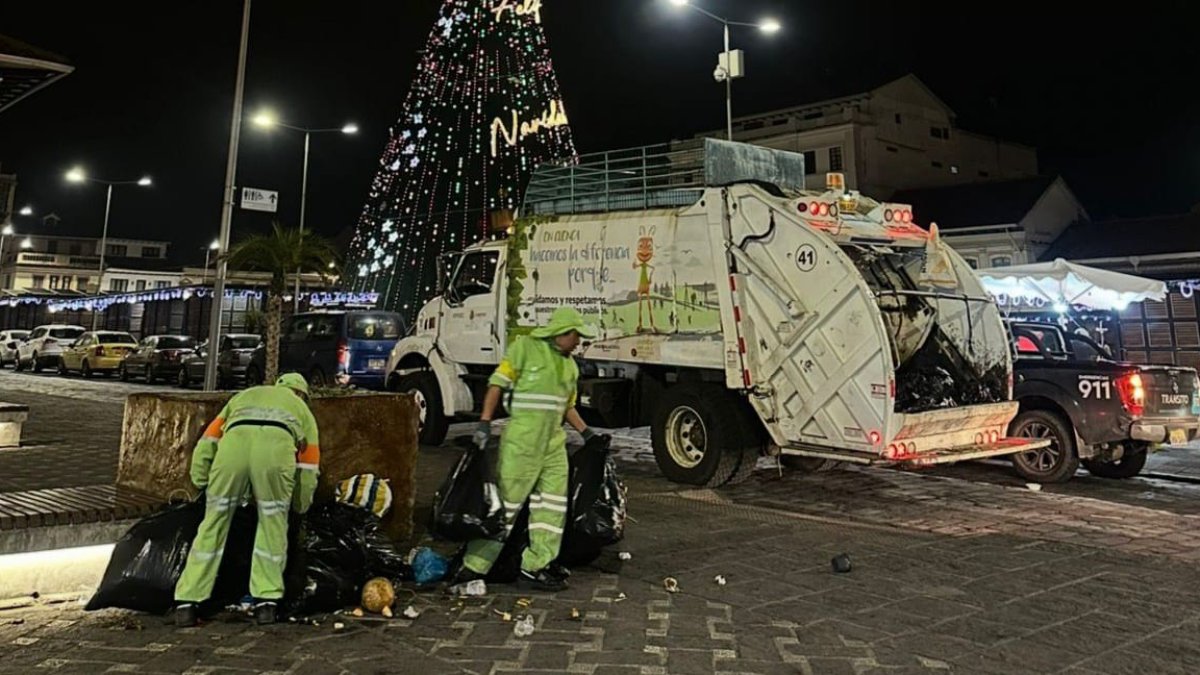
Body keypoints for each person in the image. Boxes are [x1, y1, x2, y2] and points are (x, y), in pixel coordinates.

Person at [452, 307, 600, 592]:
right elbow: (497, 383)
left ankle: (535, 566)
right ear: (563, 333)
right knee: (506, 507)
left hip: (553, 445)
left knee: (553, 508)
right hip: (522, 442)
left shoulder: (570, 366)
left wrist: (587, 433)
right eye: (576, 336)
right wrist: (484, 422)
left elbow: (567, 407)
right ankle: (473, 566)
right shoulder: (525, 349)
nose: (579, 342)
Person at [173, 373, 320, 627]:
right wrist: (300, 505)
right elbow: (308, 468)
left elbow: (208, 441)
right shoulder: (302, 410)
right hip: (274, 454)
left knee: (213, 523)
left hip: (232, 450)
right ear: (302, 394)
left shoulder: (244, 396)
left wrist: (200, 480)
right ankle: (266, 603)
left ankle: (187, 602)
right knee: (272, 525)